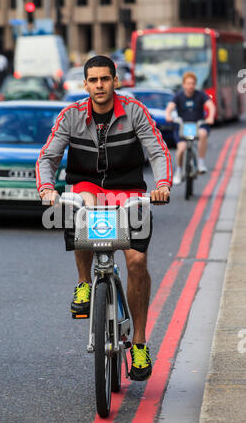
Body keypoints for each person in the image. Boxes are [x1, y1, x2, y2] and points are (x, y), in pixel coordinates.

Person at [36, 55, 172, 382]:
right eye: (93, 80)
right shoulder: (71, 116)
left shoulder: (135, 111)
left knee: (137, 262)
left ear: (115, 81)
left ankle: (139, 342)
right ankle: (85, 284)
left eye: (105, 79)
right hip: (86, 186)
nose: (99, 85)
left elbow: (158, 151)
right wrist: (46, 190)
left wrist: (163, 184)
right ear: (85, 84)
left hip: (129, 191)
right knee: (80, 203)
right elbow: (48, 156)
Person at [165, 72, 216, 185]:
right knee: (181, 149)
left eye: (193, 83)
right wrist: (168, 115)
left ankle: (201, 164)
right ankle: (178, 171)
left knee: (203, 134)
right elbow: (170, 107)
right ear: (184, 85)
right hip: (182, 126)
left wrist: (211, 117)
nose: (190, 86)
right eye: (188, 83)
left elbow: (211, 106)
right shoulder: (178, 96)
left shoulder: (201, 95)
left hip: (198, 124)